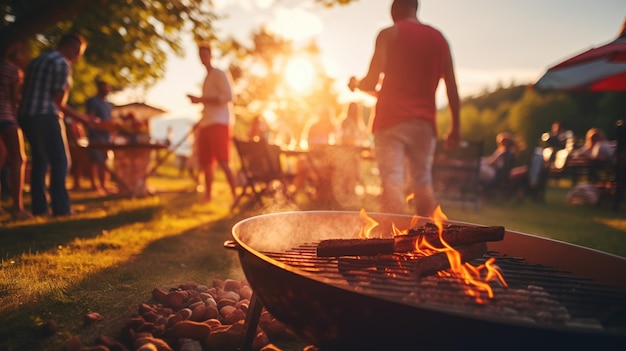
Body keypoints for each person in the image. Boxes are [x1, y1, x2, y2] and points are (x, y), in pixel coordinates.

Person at [350, 0, 460, 216]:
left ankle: (392, 240)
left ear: (394, 11)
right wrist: (456, 128)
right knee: (422, 182)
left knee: (392, 180)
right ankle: (428, 237)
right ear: (415, 8)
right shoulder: (439, 38)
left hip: (389, 122)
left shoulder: (389, 34)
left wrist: (356, 84)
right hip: (425, 125)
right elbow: (452, 87)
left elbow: (372, 82)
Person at [17, 33, 97, 217]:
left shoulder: (38, 60)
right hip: (46, 116)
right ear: (70, 48)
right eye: (78, 52)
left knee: (40, 161)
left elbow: (23, 90)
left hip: (26, 115)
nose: (78, 57)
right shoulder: (62, 63)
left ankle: (40, 208)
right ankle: (61, 208)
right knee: (61, 160)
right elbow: (58, 103)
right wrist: (84, 119)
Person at [187, 43, 237, 203]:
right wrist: (200, 122)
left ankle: (235, 194)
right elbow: (209, 105)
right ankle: (208, 196)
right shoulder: (207, 78)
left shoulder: (218, 74)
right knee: (206, 161)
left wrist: (200, 99)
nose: (203, 58)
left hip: (219, 123)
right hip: (206, 123)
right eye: (200, 55)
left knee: (223, 159)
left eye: (205, 55)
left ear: (210, 55)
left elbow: (228, 97)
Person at [0, 40, 31, 219]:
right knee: (19, 160)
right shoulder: (12, 70)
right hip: (7, 118)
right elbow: (15, 99)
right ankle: (17, 208)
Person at [85, 79, 114, 194]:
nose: (108, 90)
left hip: (106, 135)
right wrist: (95, 128)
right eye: (106, 87)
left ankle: (104, 184)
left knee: (104, 160)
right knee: (95, 161)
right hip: (95, 135)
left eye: (108, 87)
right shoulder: (93, 101)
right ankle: (94, 185)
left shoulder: (108, 104)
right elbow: (89, 118)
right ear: (100, 88)